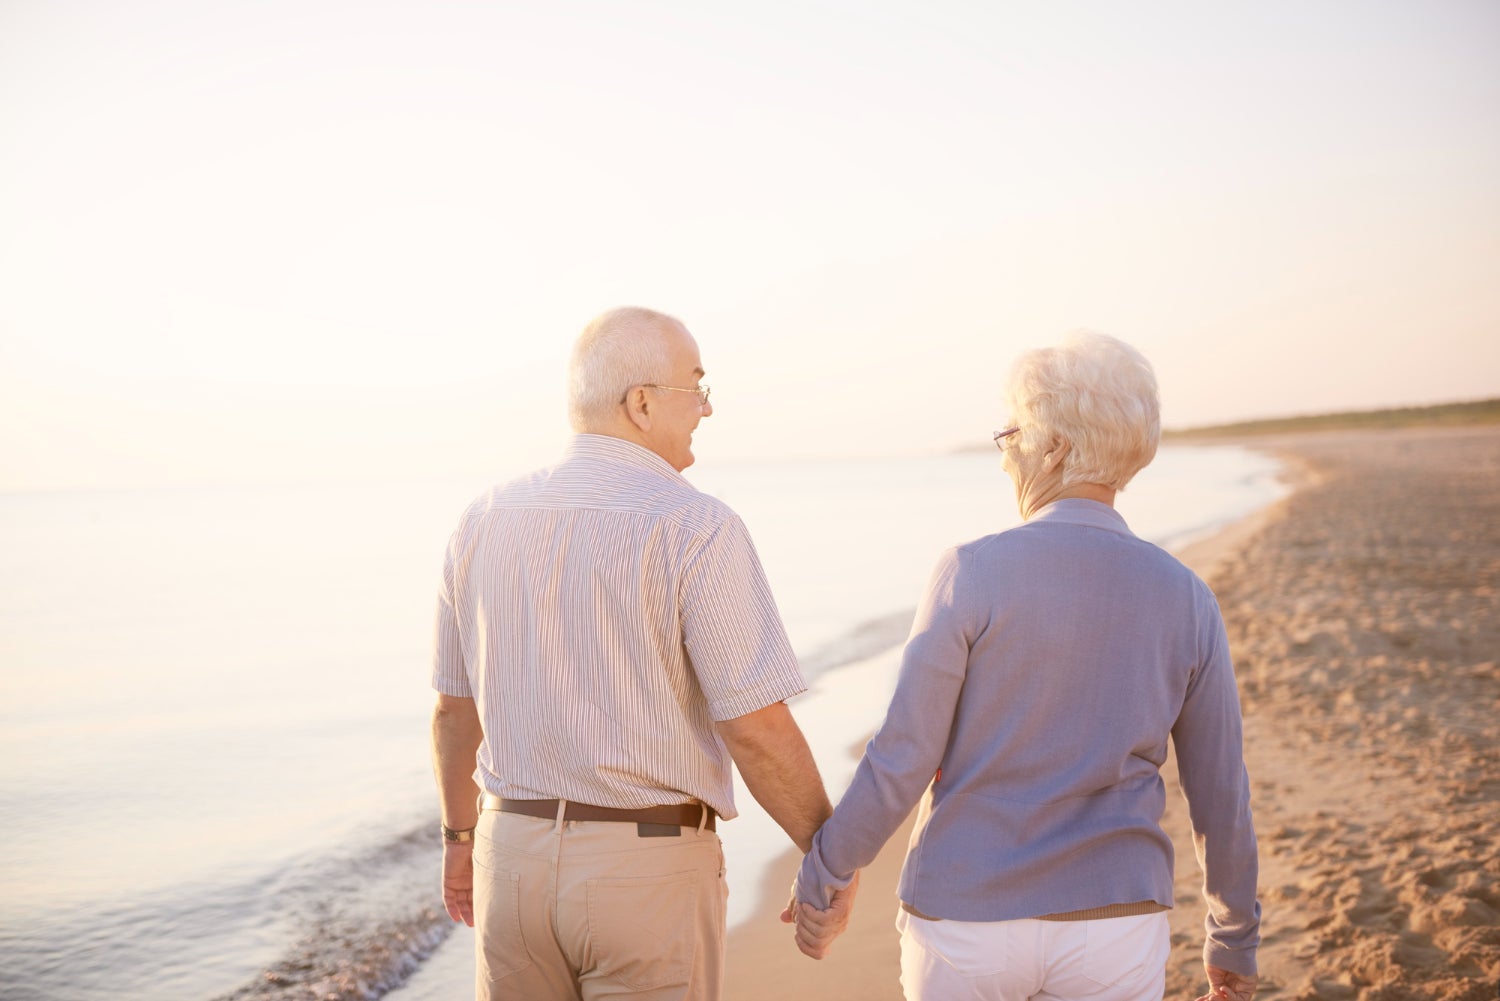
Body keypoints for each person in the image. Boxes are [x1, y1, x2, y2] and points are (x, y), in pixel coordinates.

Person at [786, 331, 1261, 1001]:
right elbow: (1220, 790)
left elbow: (903, 754)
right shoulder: (1186, 594)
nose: (1004, 453)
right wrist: (1234, 937)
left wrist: (827, 871)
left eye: (1010, 433)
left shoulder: (971, 572)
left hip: (966, 918)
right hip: (1117, 924)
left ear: (1055, 447)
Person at [430, 306, 840, 1001]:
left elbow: (452, 710)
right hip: (642, 874)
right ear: (641, 402)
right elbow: (754, 726)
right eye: (696, 387)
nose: (706, 409)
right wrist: (829, 854)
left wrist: (458, 838)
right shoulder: (696, 524)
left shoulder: (482, 516)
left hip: (511, 863)